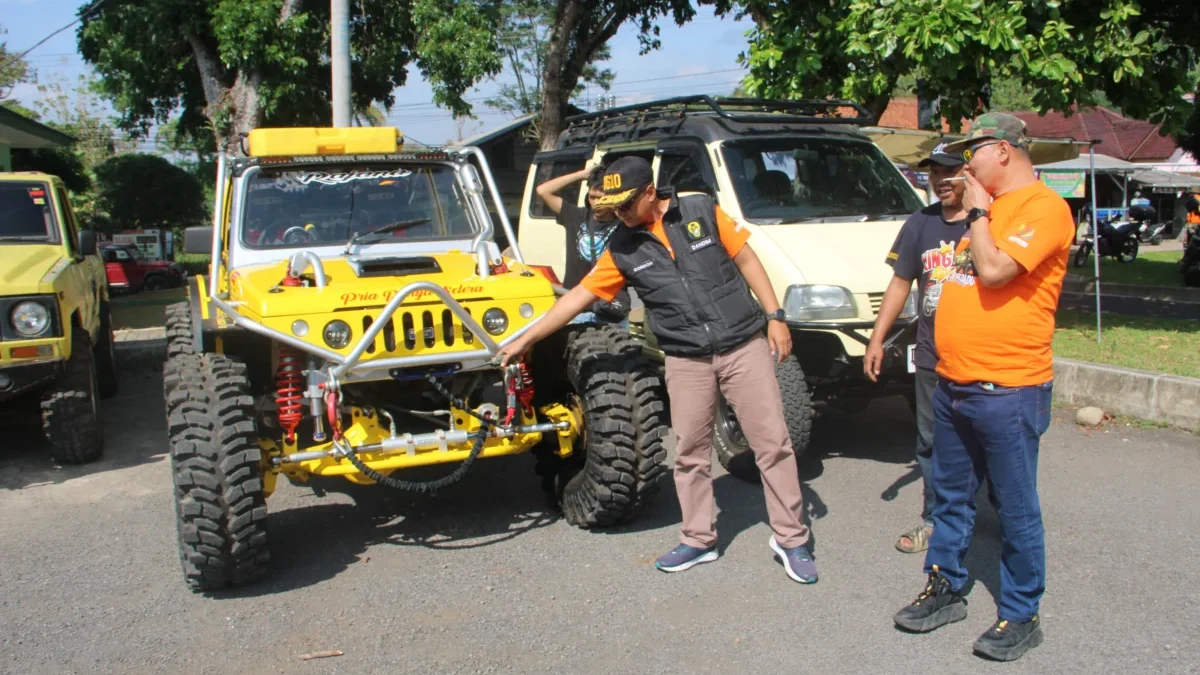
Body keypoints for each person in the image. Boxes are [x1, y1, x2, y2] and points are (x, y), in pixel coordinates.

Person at [499, 156, 817, 584]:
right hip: (685, 358)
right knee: (690, 453)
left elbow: (746, 259)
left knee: (773, 444)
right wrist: (528, 338)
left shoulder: (701, 211)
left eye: (625, 204)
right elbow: (579, 296)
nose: (618, 214)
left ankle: (790, 538)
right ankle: (699, 538)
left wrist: (776, 315)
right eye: (613, 207)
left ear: (650, 192)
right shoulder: (622, 248)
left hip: (743, 345)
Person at [892, 113, 1074, 662]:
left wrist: (974, 212)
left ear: (1001, 151)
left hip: (1009, 386)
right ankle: (945, 586)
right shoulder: (990, 211)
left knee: (1015, 509)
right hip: (953, 380)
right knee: (949, 497)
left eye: (970, 153)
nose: (963, 165)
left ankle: (1020, 613)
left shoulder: (1044, 209)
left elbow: (994, 272)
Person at [864, 143, 969, 555]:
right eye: (935, 172)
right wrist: (877, 339)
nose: (941, 180)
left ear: (969, 173)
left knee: (985, 440)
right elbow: (899, 282)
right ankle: (935, 519)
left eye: (950, 171)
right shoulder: (920, 224)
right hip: (930, 355)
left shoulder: (986, 222)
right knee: (930, 441)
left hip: (978, 355)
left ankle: (998, 513)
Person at [534, 163, 631, 327]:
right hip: (576, 311)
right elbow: (543, 191)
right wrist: (581, 175)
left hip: (612, 310)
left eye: (602, 198)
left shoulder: (625, 223)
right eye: (593, 197)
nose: (597, 203)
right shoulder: (576, 216)